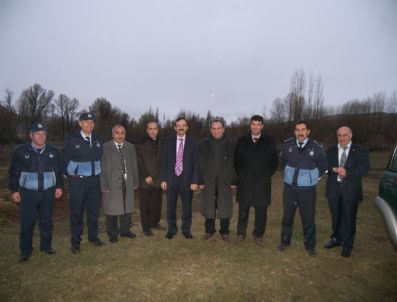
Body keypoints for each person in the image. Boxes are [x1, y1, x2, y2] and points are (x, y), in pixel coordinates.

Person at [9, 122, 63, 262]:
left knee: (46, 221)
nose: (41, 137)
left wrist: (59, 187)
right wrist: (14, 190)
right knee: (27, 222)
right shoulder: (20, 152)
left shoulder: (53, 152)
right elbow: (14, 172)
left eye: (44, 134)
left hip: (48, 192)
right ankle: (25, 251)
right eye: (38, 134)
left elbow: (58, 171)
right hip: (28, 193)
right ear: (31, 135)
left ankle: (46, 246)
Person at [277, 121, 327, 256]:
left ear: (308, 131)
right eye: (297, 130)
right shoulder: (288, 145)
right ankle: (285, 241)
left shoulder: (317, 147)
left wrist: (314, 177)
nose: (300, 132)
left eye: (303, 129)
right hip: (290, 189)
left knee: (308, 218)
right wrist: (288, 173)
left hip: (307, 191)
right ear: (294, 132)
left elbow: (323, 166)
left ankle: (310, 245)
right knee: (287, 216)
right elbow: (281, 161)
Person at [324, 126, 370, 257]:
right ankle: (336, 239)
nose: (342, 138)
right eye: (339, 135)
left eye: (345, 135)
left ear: (351, 135)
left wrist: (348, 172)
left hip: (350, 190)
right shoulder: (332, 150)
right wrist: (332, 168)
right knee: (335, 217)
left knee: (349, 219)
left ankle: (347, 245)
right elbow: (325, 164)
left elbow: (365, 167)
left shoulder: (360, 150)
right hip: (334, 189)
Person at [62, 112, 103, 254]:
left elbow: (99, 159)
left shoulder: (98, 139)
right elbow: (64, 161)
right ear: (80, 123)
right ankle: (75, 242)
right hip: (78, 182)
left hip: (94, 181)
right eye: (86, 122)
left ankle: (93, 237)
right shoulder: (72, 140)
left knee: (93, 211)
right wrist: (71, 177)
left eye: (92, 122)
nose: (89, 124)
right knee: (77, 212)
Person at [234, 115, 278, 246]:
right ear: (250, 125)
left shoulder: (269, 141)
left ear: (262, 126)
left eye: (258, 124)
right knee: (243, 211)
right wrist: (242, 174)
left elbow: (274, 161)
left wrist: (267, 175)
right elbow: (236, 161)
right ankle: (241, 233)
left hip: (262, 183)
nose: (255, 127)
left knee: (261, 212)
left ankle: (258, 235)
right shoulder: (242, 140)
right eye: (253, 124)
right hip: (245, 181)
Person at [198, 118, 237, 242]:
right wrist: (200, 180)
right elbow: (199, 163)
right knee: (209, 205)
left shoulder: (231, 144)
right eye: (213, 128)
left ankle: (224, 231)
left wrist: (234, 180)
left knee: (225, 205)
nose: (216, 131)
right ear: (210, 130)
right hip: (208, 180)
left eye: (218, 128)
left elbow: (236, 163)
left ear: (223, 129)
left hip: (225, 180)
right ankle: (209, 230)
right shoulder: (203, 144)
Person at [160, 117, 199, 239]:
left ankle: (186, 229)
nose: (181, 127)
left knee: (187, 208)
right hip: (171, 180)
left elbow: (196, 163)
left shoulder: (193, 142)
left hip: (187, 181)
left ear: (187, 127)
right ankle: (172, 229)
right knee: (170, 207)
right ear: (175, 127)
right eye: (178, 125)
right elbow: (164, 161)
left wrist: (195, 181)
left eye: (183, 125)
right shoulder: (168, 141)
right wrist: (163, 179)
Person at [100, 124, 139, 242]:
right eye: (117, 132)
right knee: (111, 210)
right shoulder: (105, 147)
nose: (120, 135)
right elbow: (102, 168)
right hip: (111, 183)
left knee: (127, 208)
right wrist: (104, 184)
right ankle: (112, 233)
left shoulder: (130, 147)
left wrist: (135, 181)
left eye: (122, 133)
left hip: (127, 182)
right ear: (113, 134)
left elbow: (134, 165)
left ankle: (125, 230)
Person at [136, 121, 165, 237]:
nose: (153, 131)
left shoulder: (162, 143)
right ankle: (146, 227)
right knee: (145, 205)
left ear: (158, 130)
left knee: (156, 204)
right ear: (147, 130)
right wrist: (145, 175)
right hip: (145, 179)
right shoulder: (140, 143)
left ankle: (154, 223)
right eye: (150, 129)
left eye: (155, 129)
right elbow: (139, 162)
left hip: (158, 179)